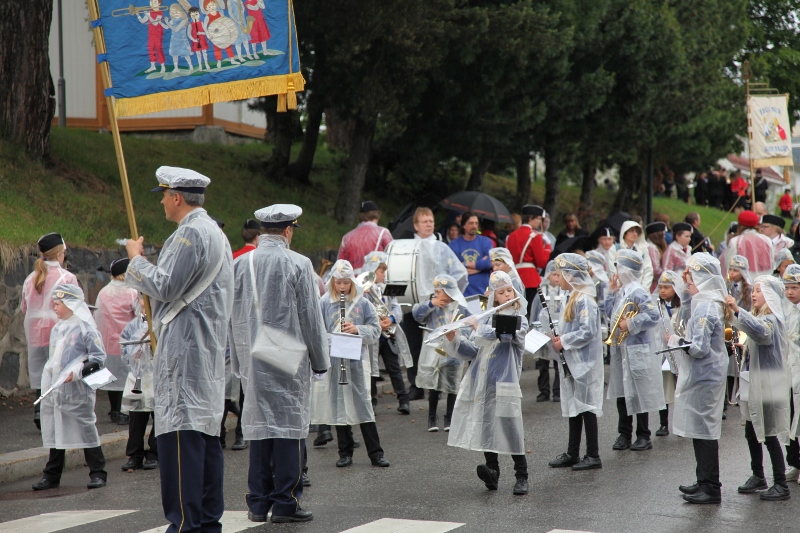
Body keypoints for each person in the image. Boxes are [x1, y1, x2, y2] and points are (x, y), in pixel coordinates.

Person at [125, 166, 234, 532]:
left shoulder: (189, 233)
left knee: (181, 445)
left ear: (176, 197)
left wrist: (135, 260)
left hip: (185, 352)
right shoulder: (216, 233)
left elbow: (167, 285)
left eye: (163, 196)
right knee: (205, 444)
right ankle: (206, 524)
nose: (161, 203)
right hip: (204, 351)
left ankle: (185, 525)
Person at [229, 204, 329, 524]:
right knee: (289, 426)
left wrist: (237, 358)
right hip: (288, 353)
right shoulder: (298, 263)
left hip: (251, 353)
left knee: (259, 426)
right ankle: (286, 502)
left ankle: (258, 502)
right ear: (288, 231)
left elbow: (230, 315)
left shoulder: (240, 263)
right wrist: (320, 360)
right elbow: (310, 317)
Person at [447, 271, 530, 495]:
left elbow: (505, 335)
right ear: (493, 297)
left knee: (511, 428)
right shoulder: (485, 318)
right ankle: (492, 472)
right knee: (486, 427)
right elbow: (473, 351)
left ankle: (522, 475)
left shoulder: (519, 319)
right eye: (501, 292)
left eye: (509, 290)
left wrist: (477, 327)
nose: (506, 295)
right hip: (483, 383)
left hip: (505, 383)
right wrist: (454, 338)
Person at [310, 260, 390, 468]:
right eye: (338, 283)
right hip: (334, 361)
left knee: (363, 405)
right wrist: (335, 339)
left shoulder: (363, 303)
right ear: (332, 282)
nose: (342, 287)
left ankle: (376, 453)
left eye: (346, 283)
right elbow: (317, 332)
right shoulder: (324, 302)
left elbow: (375, 329)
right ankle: (344, 453)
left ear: (352, 282)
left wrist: (357, 330)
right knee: (339, 405)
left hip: (356, 361)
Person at [32, 284, 107, 491]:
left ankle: (98, 472)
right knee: (56, 429)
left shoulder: (86, 328)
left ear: (71, 304)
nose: (54, 307)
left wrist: (77, 372)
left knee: (86, 427)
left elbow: (98, 358)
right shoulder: (57, 329)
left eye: (58, 304)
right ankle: (52, 476)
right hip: (56, 390)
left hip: (77, 391)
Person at [669, 254, 729, 504]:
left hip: (706, 375)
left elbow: (699, 348)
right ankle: (703, 480)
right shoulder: (705, 301)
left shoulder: (706, 305)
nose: (688, 282)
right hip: (705, 374)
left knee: (705, 431)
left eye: (692, 277)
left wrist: (675, 341)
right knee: (700, 429)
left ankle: (711, 487)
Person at [727, 276, 792, 501]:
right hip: (757, 380)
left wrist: (737, 310)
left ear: (770, 295)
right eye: (753, 290)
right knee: (752, 429)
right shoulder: (761, 316)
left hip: (769, 381)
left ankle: (781, 484)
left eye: (758, 291)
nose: (753, 294)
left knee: (770, 432)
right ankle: (758, 475)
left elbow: (762, 333)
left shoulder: (772, 319)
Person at [403, 207, 468, 401]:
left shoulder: (442, 248)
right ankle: (416, 385)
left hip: (440, 303)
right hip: (414, 301)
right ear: (416, 225)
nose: (429, 224)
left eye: (431, 221)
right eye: (424, 221)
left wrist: (450, 296)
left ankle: (438, 385)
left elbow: (458, 272)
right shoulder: (407, 248)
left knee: (440, 344)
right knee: (414, 345)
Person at [547, 254, 604, 471]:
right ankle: (573, 452)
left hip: (584, 363)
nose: (557, 278)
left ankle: (593, 455)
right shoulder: (572, 296)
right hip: (574, 360)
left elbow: (588, 331)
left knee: (586, 407)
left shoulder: (584, 300)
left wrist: (564, 341)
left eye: (560, 274)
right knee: (575, 406)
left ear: (570, 276)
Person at [605, 250, 664, 452]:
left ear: (627, 270)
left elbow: (653, 315)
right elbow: (610, 314)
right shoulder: (622, 291)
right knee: (622, 392)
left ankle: (643, 435)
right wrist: (610, 293)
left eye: (619, 267)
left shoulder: (638, 292)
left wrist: (630, 323)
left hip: (636, 349)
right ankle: (624, 434)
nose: (616, 271)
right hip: (622, 349)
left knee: (639, 392)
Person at [21, 233, 78, 430]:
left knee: (41, 372)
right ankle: (57, 412)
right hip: (59, 334)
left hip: (35, 334)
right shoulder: (67, 278)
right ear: (60, 254)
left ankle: (39, 410)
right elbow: (76, 307)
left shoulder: (30, 279)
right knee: (59, 371)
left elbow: (24, 308)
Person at [413, 275, 470, 432]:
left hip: (453, 351)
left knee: (452, 384)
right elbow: (417, 315)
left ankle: (449, 417)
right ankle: (432, 417)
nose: (436, 294)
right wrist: (431, 304)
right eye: (435, 291)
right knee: (434, 385)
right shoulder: (432, 305)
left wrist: (459, 334)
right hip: (434, 352)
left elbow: (468, 325)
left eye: (439, 292)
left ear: (449, 292)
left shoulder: (460, 307)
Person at [361, 252, 412, 415]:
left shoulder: (385, 289)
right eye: (381, 271)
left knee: (394, 368)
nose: (384, 275)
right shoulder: (362, 291)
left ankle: (404, 400)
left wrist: (390, 319)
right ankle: (372, 403)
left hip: (388, 336)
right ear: (371, 271)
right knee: (371, 370)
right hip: (373, 336)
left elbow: (395, 306)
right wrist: (377, 324)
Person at [94, 258, 140, 426]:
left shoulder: (103, 292)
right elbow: (139, 317)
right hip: (126, 344)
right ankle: (124, 411)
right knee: (127, 379)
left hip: (107, 343)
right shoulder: (132, 293)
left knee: (112, 378)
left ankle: (114, 410)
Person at [120, 309, 158, 472]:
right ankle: (135, 454)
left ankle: (155, 452)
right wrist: (132, 357)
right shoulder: (133, 325)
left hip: (157, 376)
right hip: (138, 376)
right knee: (136, 417)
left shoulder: (161, 320)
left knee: (159, 416)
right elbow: (124, 345)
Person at [653, 271, 688, 437]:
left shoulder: (683, 307)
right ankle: (663, 423)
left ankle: (682, 424)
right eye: (660, 287)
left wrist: (675, 338)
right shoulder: (657, 306)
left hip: (679, 352)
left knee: (681, 389)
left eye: (666, 287)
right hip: (663, 354)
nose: (662, 291)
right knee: (665, 388)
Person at [506, 205, 552, 316]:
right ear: (531, 218)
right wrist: (547, 247)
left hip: (514, 277)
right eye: (538, 219)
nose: (540, 222)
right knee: (530, 314)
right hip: (530, 279)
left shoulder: (511, 236)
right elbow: (542, 262)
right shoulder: (535, 236)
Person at [529, 262, 563, 402]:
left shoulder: (564, 291)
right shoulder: (540, 292)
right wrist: (532, 329)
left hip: (558, 331)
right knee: (542, 362)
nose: (556, 278)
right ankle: (544, 390)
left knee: (558, 362)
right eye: (554, 274)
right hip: (542, 331)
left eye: (559, 275)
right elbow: (534, 312)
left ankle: (557, 390)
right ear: (548, 275)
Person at [780, 264, 800, 485]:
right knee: (789, 419)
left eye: (795, 287)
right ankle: (794, 463)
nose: (790, 292)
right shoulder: (786, 310)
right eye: (787, 288)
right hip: (788, 372)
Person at [337, 200, 393, 272]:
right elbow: (392, 257)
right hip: (373, 276)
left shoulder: (346, 238)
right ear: (377, 215)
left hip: (352, 277)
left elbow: (339, 266)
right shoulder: (383, 233)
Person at [449, 211, 494, 297]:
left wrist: (465, 264)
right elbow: (453, 268)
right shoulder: (454, 245)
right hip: (462, 294)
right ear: (463, 225)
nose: (474, 226)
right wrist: (481, 268)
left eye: (476, 223)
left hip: (484, 293)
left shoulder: (485, 241)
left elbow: (489, 263)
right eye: (471, 223)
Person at [725, 210, 775, 279]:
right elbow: (772, 261)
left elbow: (729, 263)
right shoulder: (767, 240)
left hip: (742, 282)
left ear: (740, 225)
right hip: (764, 280)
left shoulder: (735, 241)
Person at [618, 221, 654, 290]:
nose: (635, 234)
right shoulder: (616, 249)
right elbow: (613, 271)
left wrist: (642, 289)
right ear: (625, 232)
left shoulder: (643, 250)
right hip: (621, 289)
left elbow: (648, 270)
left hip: (639, 288)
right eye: (631, 231)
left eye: (637, 231)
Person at [645, 222, 668, 292]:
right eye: (663, 234)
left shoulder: (653, 246)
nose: (664, 237)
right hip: (653, 284)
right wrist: (667, 273)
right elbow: (655, 270)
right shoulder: (652, 248)